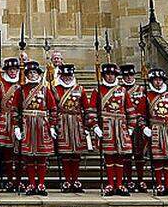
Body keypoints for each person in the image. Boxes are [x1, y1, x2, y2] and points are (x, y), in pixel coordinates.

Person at [13, 60, 57, 195]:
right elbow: (15, 109)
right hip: (27, 124)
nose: (32, 75)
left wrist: (53, 126)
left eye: (35, 73)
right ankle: (32, 183)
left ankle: (41, 184)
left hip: (42, 124)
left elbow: (53, 108)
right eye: (30, 73)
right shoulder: (20, 90)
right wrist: (16, 127)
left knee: (42, 156)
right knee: (29, 156)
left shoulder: (45, 90)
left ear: (39, 75)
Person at [140, 66, 168, 195]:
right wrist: (144, 128)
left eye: (160, 79)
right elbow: (141, 116)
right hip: (155, 129)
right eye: (155, 80)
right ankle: (159, 185)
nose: (158, 82)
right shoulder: (147, 97)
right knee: (158, 158)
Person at [92, 62, 132, 196]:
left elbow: (130, 110)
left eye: (113, 74)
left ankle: (119, 184)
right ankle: (110, 184)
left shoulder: (123, 91)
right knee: (109, 156)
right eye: (108, 74)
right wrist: (95, 126)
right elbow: (91, 110)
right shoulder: (98, 90)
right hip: (106, 126)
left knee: (120, 156)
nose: (110, 77)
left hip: (120, 126)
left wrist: (131, 127)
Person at [53, 63, 90, 192]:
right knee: (65, 153)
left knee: (76, 154)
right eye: (65, 76)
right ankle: (67, 180)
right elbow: (52, 108)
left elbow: (86, 108)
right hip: (62, 122)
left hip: (77, 122)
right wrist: (53, 125)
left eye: (69, 75)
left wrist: (87, 126)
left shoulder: (80, 89)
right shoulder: (55, 89)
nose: (67, 78)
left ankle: (76, 179)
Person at [0, 55, 22, 191]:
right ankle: (10, 180)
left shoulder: (22, 83)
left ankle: (19, 180)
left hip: (18, 120)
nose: (12, 72)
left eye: (15, 69)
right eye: (10, 70)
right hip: (4, 120)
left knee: (20, 152)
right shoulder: (0, 84)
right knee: (7, 152)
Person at [123, 63, 148, 193]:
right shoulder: (119, 89)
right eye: (126, 76)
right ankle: (128, 180)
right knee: (126, 154)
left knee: (140, 154)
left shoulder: (142, 89)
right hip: (124, 125)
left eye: (131, 75)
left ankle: (140, 179)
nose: (128, 78)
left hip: (139, 125)